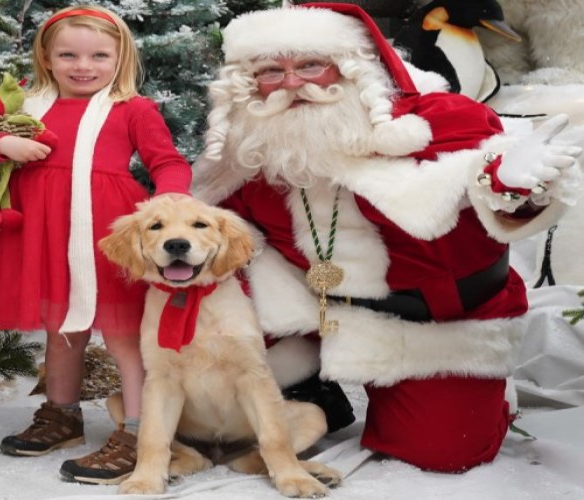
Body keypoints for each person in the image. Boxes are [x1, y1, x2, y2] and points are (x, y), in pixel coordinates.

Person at [193, 2, 584, 472]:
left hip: (434, 327)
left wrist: (513, 185)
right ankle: (309, 389)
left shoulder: (443, 119)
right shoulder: (250, 150)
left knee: (439, 451)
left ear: (353, 67)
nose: (292, 84)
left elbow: (494, 183)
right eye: (272, 71)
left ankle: (489, 398)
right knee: (206, 282)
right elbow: (211, 223)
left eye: (311, 65)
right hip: (315, 310)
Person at [0, 5, 191, 484]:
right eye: (69, 55)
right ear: (46, 55)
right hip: (41, 233)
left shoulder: (132, 108)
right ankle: (62, 416)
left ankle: (142, 431)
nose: (84, 66)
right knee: (62, 326)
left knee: (123, 333)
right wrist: (1, 146)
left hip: (106, 233)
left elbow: (168, 162)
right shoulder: (25, 105)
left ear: (120, 58)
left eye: (99, 55)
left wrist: (170, 203)